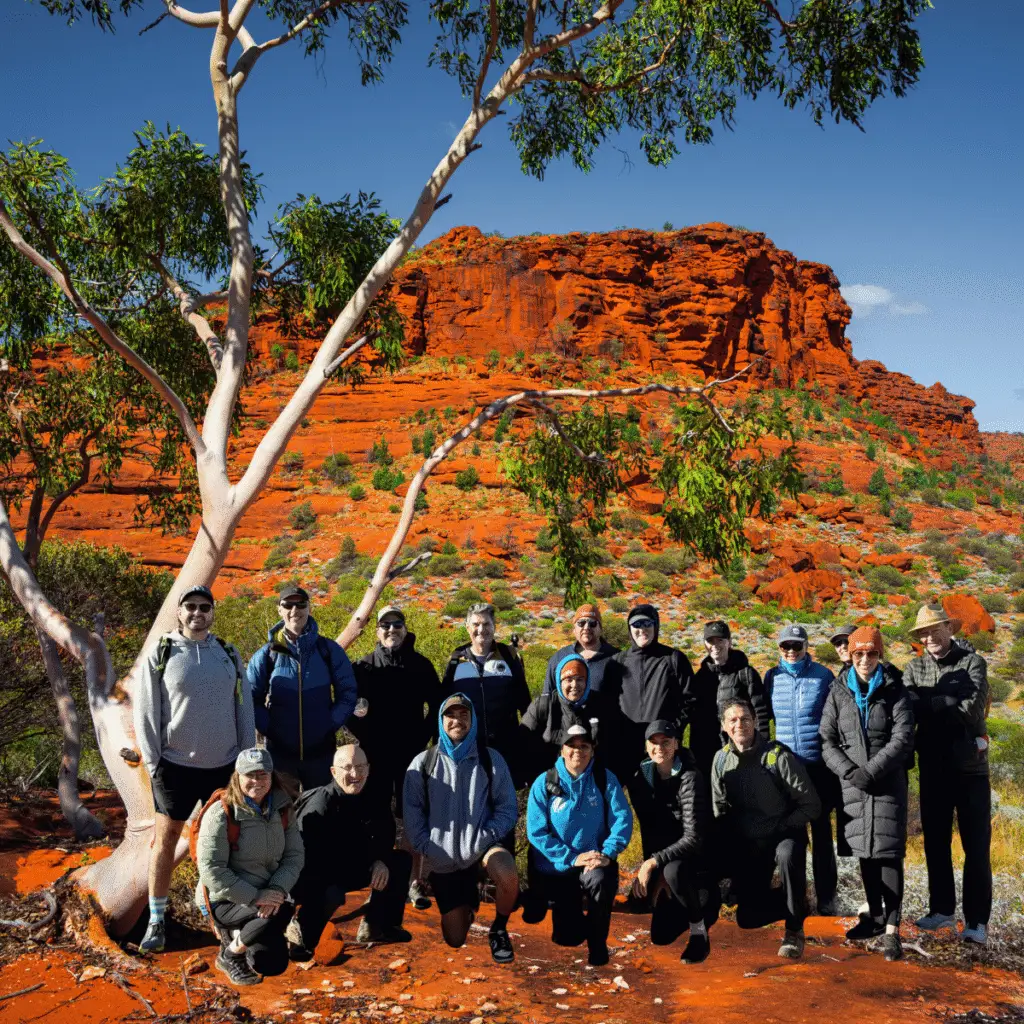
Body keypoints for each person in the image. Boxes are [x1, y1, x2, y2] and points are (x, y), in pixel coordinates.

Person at [135, 584, 255, 953]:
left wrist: (246, 761)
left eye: (205, 607)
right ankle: (157, 921)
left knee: (225, 842)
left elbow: (244, 707)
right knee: (165, 842)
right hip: (174, 765)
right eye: (190, 607)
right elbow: (146, 710)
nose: (197, 613)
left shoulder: (227, 653)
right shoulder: (163, 651)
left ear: (212, 612)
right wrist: (154, 763)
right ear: (180, 611)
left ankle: (223, 915)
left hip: (223, 766)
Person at [403, 694, 520, 963]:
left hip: (482, 849)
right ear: (441, 720)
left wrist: (485, 836)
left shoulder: (490, 759)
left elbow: (506, 808)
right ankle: (468, 905)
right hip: (443, 859)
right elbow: (412, 811)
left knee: (508, 875)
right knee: (455, 939)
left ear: (472, 719)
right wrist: (425, 846)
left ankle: (499, 929)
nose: (457, 721)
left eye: (463, 715)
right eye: (451, 716)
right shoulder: (423, 762)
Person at [820, 626, 914, 961]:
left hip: (887, 783)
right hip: (853, 785)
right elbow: (826, 739)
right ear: (851, 653)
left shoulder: (895, 690)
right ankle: (874, 916)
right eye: (858, 653)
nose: (864, 659)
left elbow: (902, 738)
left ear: (879, 655)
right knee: (864, 851)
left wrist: (871, 771)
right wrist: (849, 772)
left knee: (888, 854)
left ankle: (892, 930)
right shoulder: (838, 690)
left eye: (871, 653)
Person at [903, 604, 991, 944]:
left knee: (976, 846)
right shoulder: (914, 667)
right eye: (923, 633)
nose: (929, 637)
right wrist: (946, 699)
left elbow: (971, 710)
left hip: (970, 769)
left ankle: (977, 921)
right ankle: (941, 910)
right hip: (933, 768)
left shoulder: (973, 663)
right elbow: (908, 708)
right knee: (936, 843)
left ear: (948, 629)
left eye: (934, 630)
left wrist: (931, 704)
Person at [712, 699, 821, 959]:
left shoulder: (777, 756)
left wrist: (783, 825)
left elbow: (811, 805)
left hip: (784, 833)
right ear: (725, 727)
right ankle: (798, 903)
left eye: (745, 719)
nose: (740, 725)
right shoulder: (721, 760)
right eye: (733, 720)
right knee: (747, 918)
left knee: (787, 854)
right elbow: (719, 810)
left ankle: (794, 931)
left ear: (756, 722)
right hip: (751, 843)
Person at [349, 605, 441, 910]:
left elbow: (438, 707)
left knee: (411, 817)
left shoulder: (422, 666)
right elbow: (346, 707)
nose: (391, 630)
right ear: (376, 631)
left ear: (405, 627)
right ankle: (380, 879)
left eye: (396, 624)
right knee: (376, 817)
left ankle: (414, 883)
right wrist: (362, 733)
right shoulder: (363, 667)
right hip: (375, 756)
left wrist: (425, 738)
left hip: (411, 757)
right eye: (385, 626)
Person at [289, 744, 412, 960]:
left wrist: (380, 860)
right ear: (334, 772)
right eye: (347, 768)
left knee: (399, 862)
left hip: (350, 865)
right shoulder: (320, 803)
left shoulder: (372, 796)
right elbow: (308, 858)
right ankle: (301, 938)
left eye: (360, 767)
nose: (355, 774)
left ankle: (379, 926)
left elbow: (386, 831)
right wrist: (366, 862)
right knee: (331, 891)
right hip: (313, 874)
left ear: (368, 768)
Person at [526, 722, 633, 966]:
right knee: (568, 938)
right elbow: (537, 832)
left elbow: (622, 819)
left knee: (600, 881)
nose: (578, 751)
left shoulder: (604, 778)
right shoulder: (544, 783)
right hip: (558, 866)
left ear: (592, 749)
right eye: (571, 746)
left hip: (595, 860)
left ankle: (598, 945)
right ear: (562, 750)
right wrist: (572, 858)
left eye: (584, 745)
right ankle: (572, 919)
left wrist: (607, 853)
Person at [195, 748, 304, 986]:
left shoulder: (283, 808)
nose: (257, 781)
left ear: (272, 775)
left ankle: (238, 935)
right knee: (277, 913)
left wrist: (276, 889)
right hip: (226, 899)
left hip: (267, 893)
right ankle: (230, 954)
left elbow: (294, 856)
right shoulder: (221, 813)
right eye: (250, 775)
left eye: (263, 774)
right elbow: (212, 871)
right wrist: (256, 897)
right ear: (237, 776)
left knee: (272, 964)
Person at [248, 585, 358, 789]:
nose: (294, 610)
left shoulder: (328, 650)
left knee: (318, 811)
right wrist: (268, 727)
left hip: (321, 753)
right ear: (279, 610)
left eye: (300, 604)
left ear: (309, 608)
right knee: (283, 812)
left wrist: (330, 723)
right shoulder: (267, 654)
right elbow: (250, 697)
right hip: (280, 755)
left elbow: (348, 692)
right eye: (287, 605)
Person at [765, 624, 840, 915]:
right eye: (786, 646)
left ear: (807, 646)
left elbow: (835, 719)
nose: (792, 651)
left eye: (797, 646)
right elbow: (765, 718)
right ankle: (794, 899)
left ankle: (826, 899)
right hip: (786, 770)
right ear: (779, 649)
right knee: (790, 834)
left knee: (822, 834)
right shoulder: (771, 677)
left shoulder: (823, 676)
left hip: (818, 766)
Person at [630, 720, 715, 964]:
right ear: (646, 747)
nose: (659, 748)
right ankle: (696, 903)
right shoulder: (643, 777)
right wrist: (655, 872)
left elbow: (693, 838)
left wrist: (653, 864)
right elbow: (649, 828)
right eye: (653, 743)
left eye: (666, 742)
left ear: (676, 744)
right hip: (664, 856)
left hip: (694, 856)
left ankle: (700, 931)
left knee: (674, 871)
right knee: (661, 935)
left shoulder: (691, 776)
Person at [440, 603, 531, 783]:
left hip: (506, 750)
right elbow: (443, 705)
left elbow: (525, 703)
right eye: (475, 624)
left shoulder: (509, 656)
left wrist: (526, 747)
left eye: (486, 624)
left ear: (494, 626)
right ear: (467, 627)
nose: (481, 630)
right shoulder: (457, 659)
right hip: (469, 749)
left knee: (504, 806)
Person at [604, 604, 694, 783]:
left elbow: (690, 699)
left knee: (668, 796)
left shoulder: (673, 659)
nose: (642, 629)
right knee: (634, 798)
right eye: (636, 625)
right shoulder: (617, 662)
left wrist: (672, 730)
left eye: (647, 623)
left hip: (663, 746)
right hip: (626, 746)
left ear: (656, 626)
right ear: (629, 629)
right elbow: (608, 704)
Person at [687, 620, 770, 784]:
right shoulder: (701, 677)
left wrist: (761, 748)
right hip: (706, 751)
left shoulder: (745, 673)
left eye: (720, 640)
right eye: (710, 641)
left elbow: (760, 711)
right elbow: (695, 718)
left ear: (729, 642)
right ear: (705, 644)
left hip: (739, 747)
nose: (715, 645)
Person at [520, 652, 617, 781]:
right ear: (559, 682)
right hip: (550, 784)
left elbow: (611, 748)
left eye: (580, 679)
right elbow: (523, 745)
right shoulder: (543, 706)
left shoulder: (600, 706)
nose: (574, 685)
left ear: (587, 681)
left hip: (591, 784)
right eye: (568, 679)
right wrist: (541, 781)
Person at [540, 605, 620, 695]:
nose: (586, 627)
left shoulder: (618, 659)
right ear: (574, 629)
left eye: (592, 623)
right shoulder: (559, 658)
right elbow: (547, 697)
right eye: (581, 623)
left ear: (600, 628)